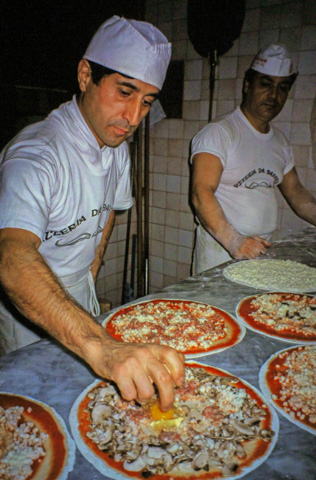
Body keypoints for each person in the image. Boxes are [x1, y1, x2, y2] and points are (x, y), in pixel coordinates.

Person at [0, 16, 184, 410]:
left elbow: (109, 214)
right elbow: (12, 256)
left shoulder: (117, 146)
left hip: (81, 296)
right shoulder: (36, 154)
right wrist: (101, 347)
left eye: (147, 102)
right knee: (37, 411)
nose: (133, 117)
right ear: (86, 75)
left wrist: (91, 272)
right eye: (124, 92)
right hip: (27, 312)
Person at [190, 43, 316, 274]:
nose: (273, 95)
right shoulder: (219, 132)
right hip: (221, 251)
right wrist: (235, 241)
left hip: (262, 249)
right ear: (248, 85)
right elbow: (201, 193)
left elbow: (297, 193)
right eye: (265, 84)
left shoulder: (280, 142)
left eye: (282, 88)